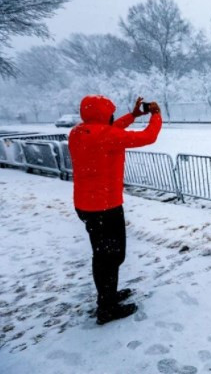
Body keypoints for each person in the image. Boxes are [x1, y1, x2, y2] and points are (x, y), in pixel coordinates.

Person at [68, 95, 162, 325]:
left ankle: (108, 296)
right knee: (110, 257)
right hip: (105, 207)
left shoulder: (79, 132)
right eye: (111, 112)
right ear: (104, 114)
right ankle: (107, 307)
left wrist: (132, 116)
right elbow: (148, 137)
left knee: (104, 255)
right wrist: (156, 115)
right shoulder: (107, 136)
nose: (112, 116)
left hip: (87, 205)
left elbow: (108, 129)